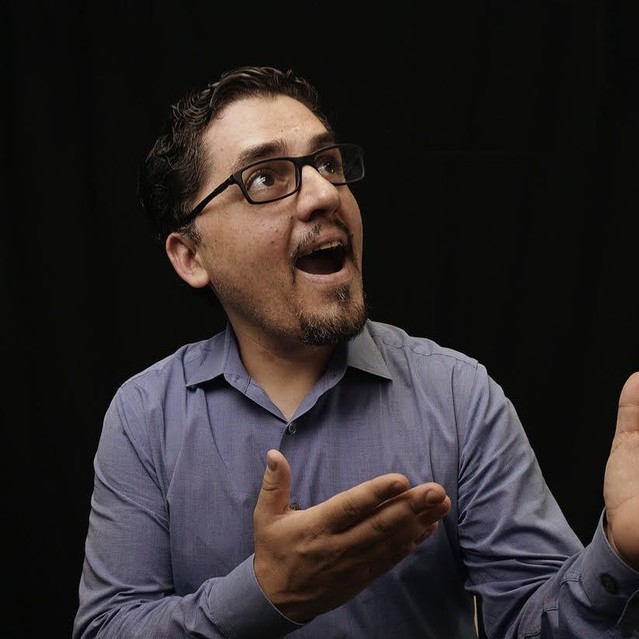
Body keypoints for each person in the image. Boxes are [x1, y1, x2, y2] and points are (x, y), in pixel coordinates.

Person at [73, 64, 639, 639]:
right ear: (192, 257)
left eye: (327, 164)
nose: (324, 194)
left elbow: (536, 623)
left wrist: (619, 556)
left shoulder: (457, 397)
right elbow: (107, 628)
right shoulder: (145, 416)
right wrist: (264, 595)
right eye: (265, 178)